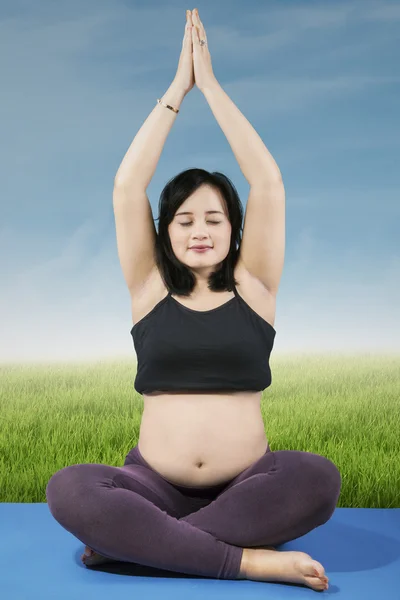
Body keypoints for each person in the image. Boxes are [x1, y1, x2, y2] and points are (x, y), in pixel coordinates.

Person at [46, 9, 341, 591]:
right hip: (153, 484)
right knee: (70, 488)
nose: (199, 229)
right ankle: (243, 559)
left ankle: (140, 544)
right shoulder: (147, 287)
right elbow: (127, 185)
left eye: (214, 217)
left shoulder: (255, 286)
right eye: (184, 220)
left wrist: (212, 87)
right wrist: (178, 91)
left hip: (246, 486)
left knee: (316, 477)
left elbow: (270, 182)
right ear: (165, 233)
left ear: (236, 229)